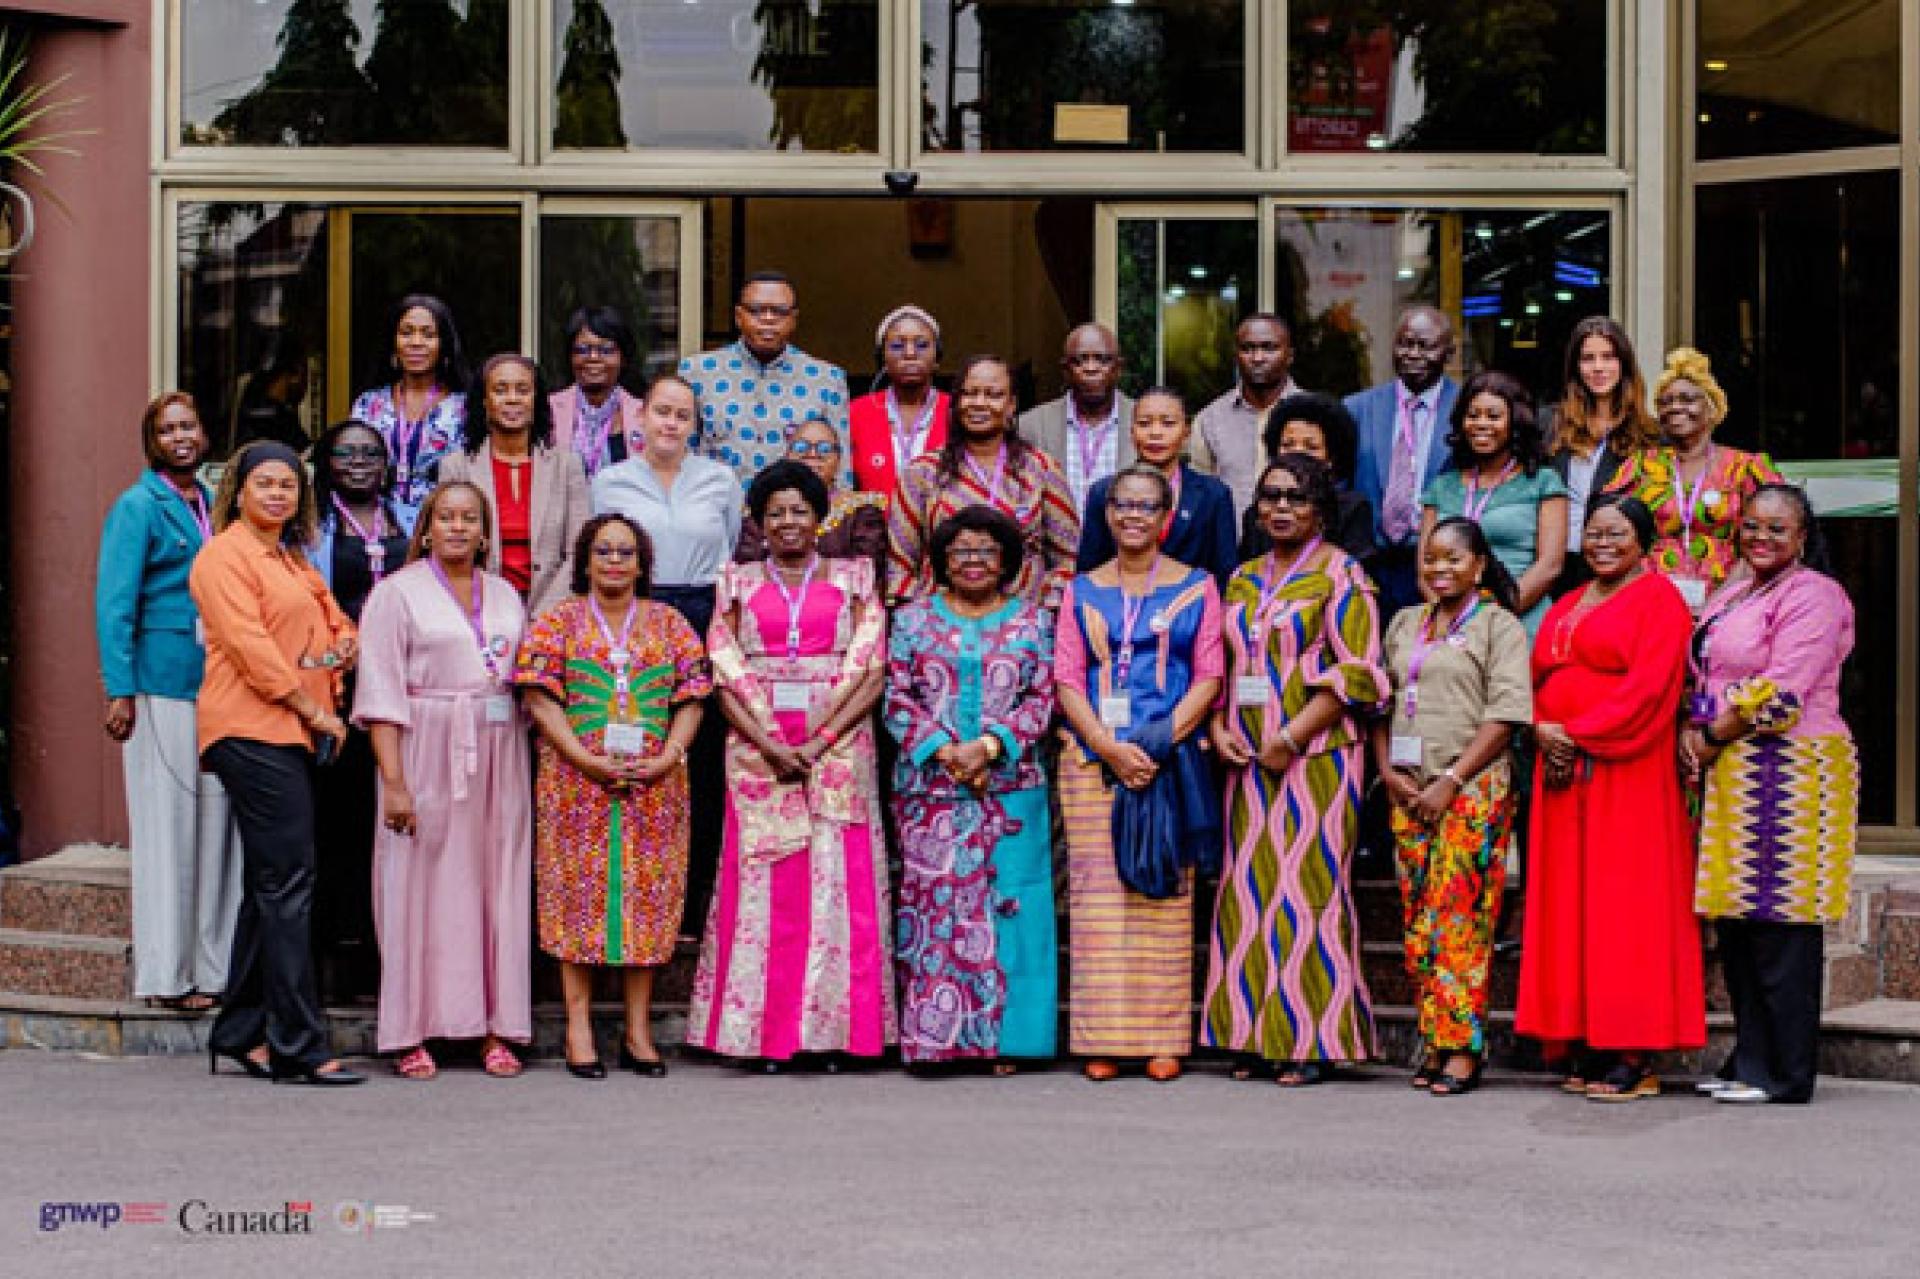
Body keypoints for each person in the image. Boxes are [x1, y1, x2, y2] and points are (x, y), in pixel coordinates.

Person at [687, 461, 895, 1070]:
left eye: (799, 511)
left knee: (837, 887)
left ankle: (834, 1035)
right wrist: (771, 743)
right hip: (758, 747)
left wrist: (823, 735)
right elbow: (722, 672)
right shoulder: (735, 582)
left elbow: (872, 668)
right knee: (768, 888)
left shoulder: (856, 577)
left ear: (819, 516)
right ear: (758, 520)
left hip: (839, 744)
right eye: (775, 512)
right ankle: (766, 1035)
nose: (788, 523)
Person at [1201, 454, 1386, 1085]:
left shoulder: (1344, 574)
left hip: (1318, 755)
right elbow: (1221, 669)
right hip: (1246, 757)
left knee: (1308, 890)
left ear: (1321, 509)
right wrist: (1220, 728)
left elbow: (1359, 669)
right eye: (1271, 496)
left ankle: (1309, 1040)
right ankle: (1250, 1034)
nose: (1281, 508)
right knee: (1247, 893)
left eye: (1297, 498)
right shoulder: (1243, 579)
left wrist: (1292, 734)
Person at [1519, 494, 1703, 1102]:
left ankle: (1635, 1050)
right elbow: (1539, 677)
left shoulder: (1660, 601)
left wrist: (1578, 733)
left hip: (1627, 771)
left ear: (1643, 541)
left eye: (1616, 533)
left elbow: (1652, 689)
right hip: (1564, 774)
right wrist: (1543, 727)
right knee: (1573, 907)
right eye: (1593, 532)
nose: (1601, 543)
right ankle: (1587, 1039)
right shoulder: (1570, 601)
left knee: (1626, 908)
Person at [515, 515, 710, 1079]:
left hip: (656, 781)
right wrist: (584, 757)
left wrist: (669, 755)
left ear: (644, 562)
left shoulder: (671, 623)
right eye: (604, 551)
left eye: (627, 552)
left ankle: (638, 1031)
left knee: (647, 901)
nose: (615, 561)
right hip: (575, 781)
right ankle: (578, 1029)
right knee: (577, 896)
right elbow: (539, 698)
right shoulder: (557, 623)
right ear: (585, 559)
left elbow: (692, 698)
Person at [190, 441, 362, 1085]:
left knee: (274, 884)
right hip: (253, 728)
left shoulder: (290, 559)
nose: (277, 495)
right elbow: (253, 651)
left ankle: (239, 1031)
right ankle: (297, 1046)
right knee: (290, 886)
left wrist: (334, 653)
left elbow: (338, 627)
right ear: (237, 489)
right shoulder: (223, 557)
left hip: (288, 729)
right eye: (264, 483)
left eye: (288, 486)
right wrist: (315, 709)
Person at [352, 482, 532, 1080]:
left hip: (499, 749)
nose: (457, 527)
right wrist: (394, 781)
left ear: (486, 532)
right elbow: (379, 692)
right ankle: (410, 1029)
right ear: (426, 529)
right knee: (416, 887)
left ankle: (493, 1026)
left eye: (470, 519)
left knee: (493, 884)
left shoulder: (506, 594)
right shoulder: (394, 595)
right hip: (424, 746)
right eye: (446, 518)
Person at [1684, 484, 1857, 1105]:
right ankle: (1749, 1059)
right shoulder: (1739, 588)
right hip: (1736, 768)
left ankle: (1783, 1073)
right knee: (1738, 921)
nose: (1760, 538)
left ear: (1802, 537)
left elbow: (1783, 692)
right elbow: (1709, 668)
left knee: (1779, 924)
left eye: (1776, 530)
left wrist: (1709, 735)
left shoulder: (1815, 594)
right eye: (1751, 527)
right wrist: (1699, 730)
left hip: (1791, 769)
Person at [1056, 466, 1224, 1083]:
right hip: (1091, 761)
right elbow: (1067, 678)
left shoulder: (1200, 588)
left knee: (1163, 902)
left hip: (1170, 757)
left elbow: (1209, 675)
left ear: (1165, 517)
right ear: (1107, 515)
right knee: (1099, 902)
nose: (1133, 516)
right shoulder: (1079, 590)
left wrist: (1153, 743)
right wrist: (1107, 746)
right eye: (1122, 505)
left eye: (1147, 507)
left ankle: (1160, 1037)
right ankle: (1102, 1037)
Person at [887, 506, 1058, 1071]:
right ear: (942, 560)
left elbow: (1043, 696)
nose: (974, 561)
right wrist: (945, 751)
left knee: (1011, 908)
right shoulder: (912, 620)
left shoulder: (1032, 621)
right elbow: (896, 694)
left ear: (1007, 559)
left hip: (1010, 788)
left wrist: (989, 747)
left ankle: (1008, 1042)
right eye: (961, 551)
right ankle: (938, 1042)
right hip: (930, 791)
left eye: (986, 551)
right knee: (936, 912)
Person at [1373, 517, 1533, 1097]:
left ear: (1479, 566)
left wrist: (1452, 778)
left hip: (1471, 788)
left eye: (1452, 559)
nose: (1439, 569)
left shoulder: (1499, 627)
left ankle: (1463, 1048)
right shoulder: (1404, 623)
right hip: (1408, 790)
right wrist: (1388, 769)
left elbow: (1507, 714)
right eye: (1430, 560)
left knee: (1459, 917)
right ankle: (1434, 1038)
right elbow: (1380, 703)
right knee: (1419, 918)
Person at [95, 392, 240, 1013]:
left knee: (213, 832)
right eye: (168, 428)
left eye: (189, 425)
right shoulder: (137, 506)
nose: (181, 436)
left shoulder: (206, 503)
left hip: (214, 685)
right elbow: (114, 603)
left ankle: (213, 968)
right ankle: (166, 974)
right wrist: (120, 690)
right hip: (160, 685)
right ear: (151, 440)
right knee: (167, 833)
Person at [592, 374, 742, 934]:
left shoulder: (721, 481)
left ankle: (695, 891)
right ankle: (632, 886)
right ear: (641, 418)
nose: (670, 423)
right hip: (637, 611)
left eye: (682, 415)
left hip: (703, 613)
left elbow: (728, 549)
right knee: (637, 736)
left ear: (695, 425)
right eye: (661, 412)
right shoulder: (610, 482)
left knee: (699, 755)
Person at [306, 419, 416, 1000]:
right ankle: (338, 958)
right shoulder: (311, 528)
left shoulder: (410, 515)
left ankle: (391, 955)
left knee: (395, 819)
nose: (358, 461)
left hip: (403, 686)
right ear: (325, 462)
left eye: (370, 452)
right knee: (342, 822)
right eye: (344, 452)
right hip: (340, 688)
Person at [889, 354, 1079, 611]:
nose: (979, 403)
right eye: (969, 394)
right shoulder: (923, 473)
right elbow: (899, 566)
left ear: (1012, 404)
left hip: (1022, 628)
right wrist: (927, 616)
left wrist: (1042, 609)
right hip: (941, 630)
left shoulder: (1041, 469)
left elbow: (1068, 558)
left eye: (993, 395)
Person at [1604, 346, 1782, 611]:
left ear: (1712, 408)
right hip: (1649, 605)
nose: (1675, 407)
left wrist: (1720, 604)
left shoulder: (1744, 468)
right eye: (1666, 402)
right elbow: (1608, 529)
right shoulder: (1640, 466)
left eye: (1688, 399)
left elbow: (1771, 540)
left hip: (1734, 604)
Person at [437, 353, 592, 617]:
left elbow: (579, 550)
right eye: (500, 390)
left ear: (536, 400)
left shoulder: (567, 466)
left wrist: (543, 616)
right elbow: (450, 550)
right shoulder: (457, 467)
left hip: (553, 612)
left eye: (523, 390)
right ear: (485, 401)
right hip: (477, 611)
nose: (512, 399)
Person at [1417, 370, 1567, 636]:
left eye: (1494, 416)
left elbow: (1550, 566)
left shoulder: (1544, 483)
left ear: (1515, 422)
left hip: (1519, 621)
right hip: (1449, 628)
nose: (1481, 424)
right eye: (1473, 415)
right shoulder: (1441, 487)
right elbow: (1424, 570)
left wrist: (1493, 617)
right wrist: (1455, 620)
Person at [679, 270, 851, 487]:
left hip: (795, 516)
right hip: (718, 512)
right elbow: (683, 454)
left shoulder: (827, 380)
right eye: (756, 310)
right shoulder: (698, 373)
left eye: (779, 311)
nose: (768, 319)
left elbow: (840, 468)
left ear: (793, 319)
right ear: (738, 316)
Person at [1347, 305, 1460, 618]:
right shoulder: (1357, 409)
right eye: (1405, 343)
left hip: (1437, 565)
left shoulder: (1467, 411)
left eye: (1425, 346)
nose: (1412, 353)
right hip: (1370, 564)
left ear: (1449, 353)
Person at [1076, 389, 1237, 585]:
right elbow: (1089, 571)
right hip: (1118, 608)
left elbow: (1225, 573)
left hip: (1191, 608)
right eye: (1144, 424)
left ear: (1186, 432)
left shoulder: (1213, 495)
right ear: (1132, 432)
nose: (1155, 433)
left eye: (1168, 423)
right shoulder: (1103, 492)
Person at [1544, 317, 1658, 596]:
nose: (1598, 368)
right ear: (1575, 367)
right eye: (1588, 358)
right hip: (1560, 565)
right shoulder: (1552, 426)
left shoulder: (1649, 434)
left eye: (1608, 357)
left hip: (1620, 568)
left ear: (1624, 364)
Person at [350, 293, 470, 521]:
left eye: (428, 334)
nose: (416, 342)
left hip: (444, 527)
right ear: (393, 342)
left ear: (443, 344)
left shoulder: (464, 408)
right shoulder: (369, 404)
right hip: (375, 527)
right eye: (406, 333)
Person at [735, 415, 889, 582]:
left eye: (824, 448)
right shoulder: (763, 508)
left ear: (839, 459)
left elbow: (868, 575)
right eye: (801, 447)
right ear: (787, 454)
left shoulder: (861, 511)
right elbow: (747, 572)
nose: (812, 454)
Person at [1236, 392, 1377, 563]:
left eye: (1311, 446)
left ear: (1331, 458)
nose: (1298, 452)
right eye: (1288, 444)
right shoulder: (1258, 512)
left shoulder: (1351, 509)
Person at [1191, 313, 1306, 519]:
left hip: (1300, 548)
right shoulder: (1210, 420)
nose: (1258, 358)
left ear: (1290, 355)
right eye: (1247, 348)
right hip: (1230, 546)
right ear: (1236, 356)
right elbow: (1201, 496)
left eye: (1269, 348)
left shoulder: (1312, 415)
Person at [1017, 323, 1136, 514]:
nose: (1091, 368)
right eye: (1080, 360)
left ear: (1118, 368)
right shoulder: (1030, 426)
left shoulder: (1142, 420)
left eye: (1102, 360)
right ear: (1065, 370)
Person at [848, 305, 948, 498]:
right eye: (896, 346)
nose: (910, 354)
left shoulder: (957, 411)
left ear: (937, 358)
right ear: (882, 359)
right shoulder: (856, 412)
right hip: (874, 526)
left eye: (922, 345)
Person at [551, 305, 647, 479]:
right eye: (582, 350)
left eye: (606, 350)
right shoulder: (549, 410)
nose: (593, 358)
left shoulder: (644, 414)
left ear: (623, 357)